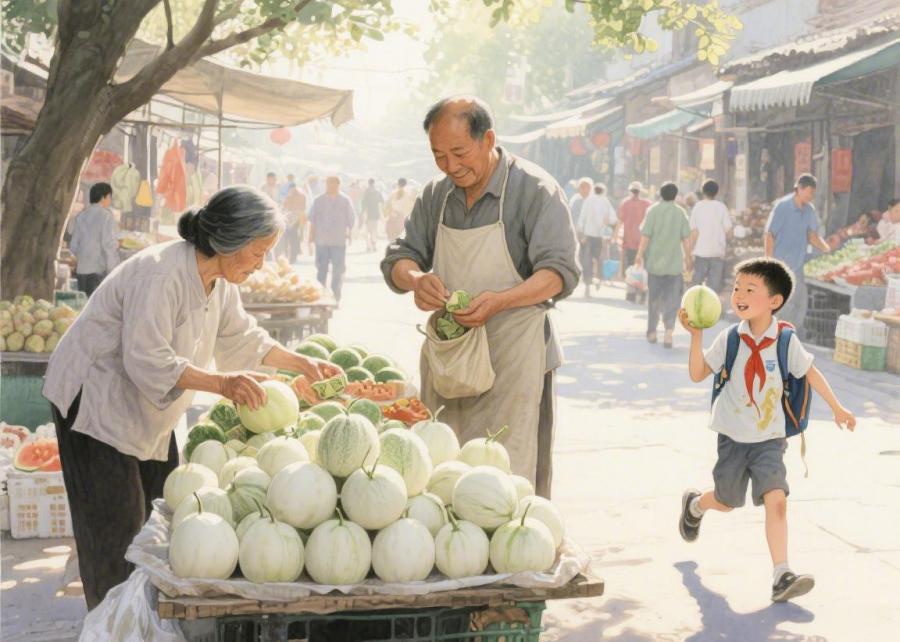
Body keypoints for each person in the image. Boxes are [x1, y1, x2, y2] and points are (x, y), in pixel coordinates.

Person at [42, 186, 341, 610]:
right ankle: (112, 623)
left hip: (143, 406)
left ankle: (144, 616)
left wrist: (303, 363)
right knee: (113, 529)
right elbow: (146, 358)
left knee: (159, 517)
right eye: (259, 252)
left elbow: (242, 338)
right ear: (227, 244)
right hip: (95, 401)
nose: (263, 264)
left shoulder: (219, 281)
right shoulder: (161, 274)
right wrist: (222, 384)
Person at [381, 96, 580, 498]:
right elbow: (398, 259)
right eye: (439, 156)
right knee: (442, 471)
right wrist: (416, 279)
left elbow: (559, 273)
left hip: (514, 357)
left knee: (507, 474)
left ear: (488, 138)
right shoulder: (437, 195)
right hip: (450, 360)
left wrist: (500, 301)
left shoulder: (535, 190)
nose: (451, 167)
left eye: (459, 153)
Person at [678, 257, 856, 602]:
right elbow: (699, 373)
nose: (739, 295)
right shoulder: (731, 339)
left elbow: (809, 373)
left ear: (774, 301)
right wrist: (697, 336)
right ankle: (696, 505)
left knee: (777, 501)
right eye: (736, 288)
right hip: (732, 437)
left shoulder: (785, 342)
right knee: (727, 501)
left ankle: (781, 574)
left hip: (769, 441)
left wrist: (838, 408)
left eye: (749, 289)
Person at [764, 174, 832, 335]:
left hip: (798, 265)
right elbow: (769, 235)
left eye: (813, 193)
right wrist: (768, 262)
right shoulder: (782, 206)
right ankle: (774, 335)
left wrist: (826, 249)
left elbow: (812, 236)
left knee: (800, 303)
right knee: (783, 302)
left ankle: (789, 335)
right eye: (809, 192)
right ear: (799, 189)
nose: (811, 196)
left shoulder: (809, 210)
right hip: (780, 265)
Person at [635, 181, 691, 348]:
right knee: (672, 300)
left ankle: (652, 332)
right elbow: (686, 238)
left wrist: (639, 255)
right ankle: (668, 333)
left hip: (654, 264)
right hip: (674, 265)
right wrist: (688, 258)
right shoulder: (681, 213)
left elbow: (645, 236)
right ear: (675, 195)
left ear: (660, 193)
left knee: (653, 299)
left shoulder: (652, 211)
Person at [309, 176, 355, 302]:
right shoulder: (318, 200)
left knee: (338, 270)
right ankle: (319, 296)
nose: (331, 187)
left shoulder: (345, 201)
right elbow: (312, 221)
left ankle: (336, 295)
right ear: (326, 185)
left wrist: (349, 235)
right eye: (329, 184)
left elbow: (351, 220)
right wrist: (310, 239)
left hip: (338, 242)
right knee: (321, 270)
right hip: (321, 241)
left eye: (334, 185)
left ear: (338, 185)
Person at [69, 182, 120, 297]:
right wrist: (114, 270)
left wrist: (82, 258)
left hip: (81, 271)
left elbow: (73, 246)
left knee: (82, 304)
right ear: (103, 197)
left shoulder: (81, 216)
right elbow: (108, 245)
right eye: (109, 197)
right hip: (98, 271)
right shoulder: (106, 216)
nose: (110, 200)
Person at [689, 179, 733, 294]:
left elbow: (694, 232)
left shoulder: (697, 207)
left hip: (700, 252)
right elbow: (729, 231)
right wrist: (724, 242)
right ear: (716, 192)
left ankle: (694, 309)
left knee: (696, 286)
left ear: (703, 192)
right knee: (713, 289)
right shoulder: (721, 207)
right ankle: (711, 311)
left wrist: (690, 251)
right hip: (717, 253)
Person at [576, 182, 616, 297]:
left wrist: (581, 235)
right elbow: (613, 219)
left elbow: (582, 218)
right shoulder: (606, 202)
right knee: (600, 260)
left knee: (587, 261)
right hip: (601, 237)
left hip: (588, 236)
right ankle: (598, 280)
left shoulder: (588, 201)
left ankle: (588, 286)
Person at [617, 181, 652, 303]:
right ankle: (641, 293)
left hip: (631, 241)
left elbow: (620, 221)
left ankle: (632, 293)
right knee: (643, 269)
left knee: (631, 267)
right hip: (644, 242)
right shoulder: (647, 204)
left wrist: (616, 236)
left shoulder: (625, 204)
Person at [278, 184, 307, 262]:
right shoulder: (292, 195)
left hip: (296, 218)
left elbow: (302, 207)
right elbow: (285, 206)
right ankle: (291, 255)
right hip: (292, 218)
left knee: (292, 237)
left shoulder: (297, 194)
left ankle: (292, 255)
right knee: (291, 237)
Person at [361, 178, 385, 252]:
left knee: (367, 231)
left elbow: (363, 203)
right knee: (374, 230)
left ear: (368, 183)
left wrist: (362, 213)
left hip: (367, 214)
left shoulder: (366, 192)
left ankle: (368, 246)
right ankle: (374, 245)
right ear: (374, 183)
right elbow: (382, 201)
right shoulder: (377, 192)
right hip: (375, 214)